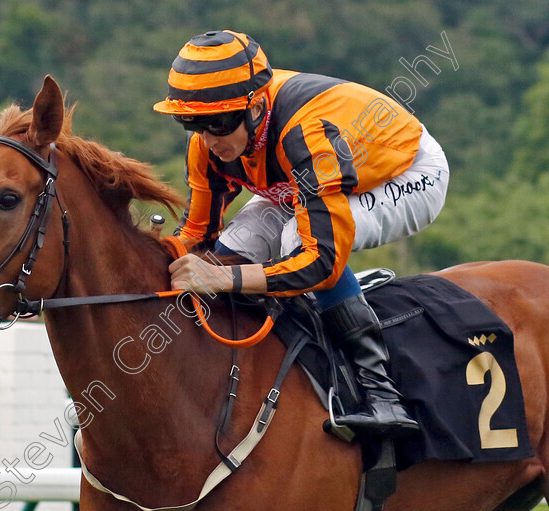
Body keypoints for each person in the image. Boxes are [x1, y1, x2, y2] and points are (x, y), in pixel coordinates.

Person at [154, 30, 450, 438]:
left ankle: (381, 394)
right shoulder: (207, 146)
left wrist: (224, 279)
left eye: (218, 123)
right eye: (191, 123)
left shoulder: (305, 134)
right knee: (237, 245)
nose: (208, 139)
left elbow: (320, 261)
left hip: (408, 170)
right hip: (306, 181)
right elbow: (198, 234)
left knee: (297, 238)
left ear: (256, 108)